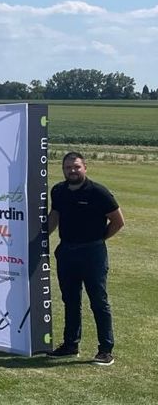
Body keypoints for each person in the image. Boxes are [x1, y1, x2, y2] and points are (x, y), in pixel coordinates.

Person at [47, 152, 124, 366]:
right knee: (70, 300)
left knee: (98, 301)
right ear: (63, 169)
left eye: (76, 167)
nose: (72, 171)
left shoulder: (98, 192)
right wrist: (40, 238)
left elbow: (118, 221)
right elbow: (54, 217)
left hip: (93, 253)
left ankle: (105, 350)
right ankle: (70, 345)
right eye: (68, 167)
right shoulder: (58, 191)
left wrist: (99, 239)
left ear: (85, 168)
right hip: (66, 252)